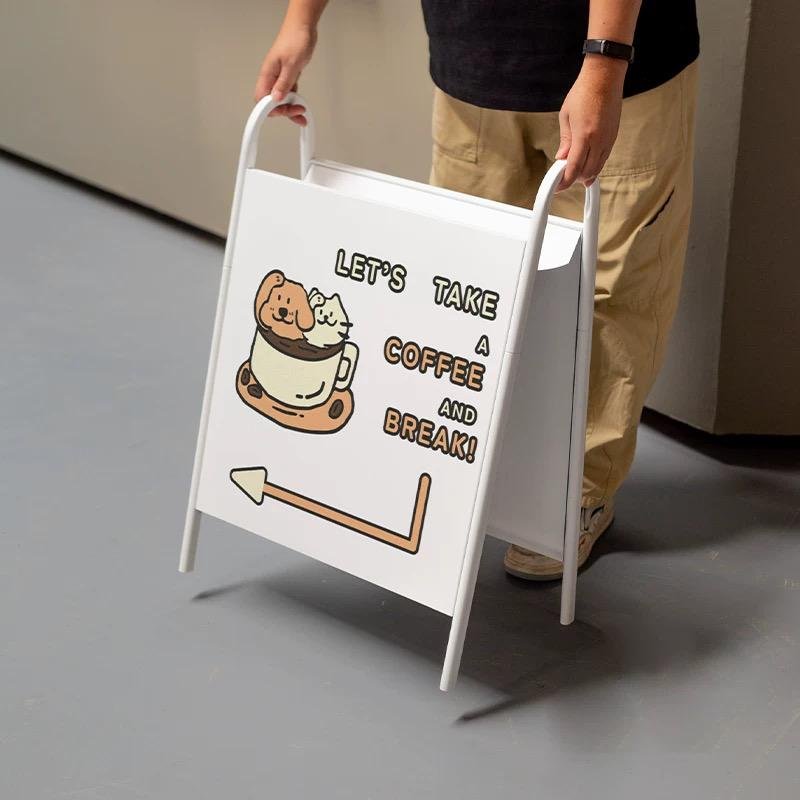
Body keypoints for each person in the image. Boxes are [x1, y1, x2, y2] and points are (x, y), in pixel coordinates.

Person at [254, 1, 700, 580]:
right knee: (464, 288)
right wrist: (301, 20)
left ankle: (575, 492)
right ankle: (458, 469)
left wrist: (604, 63)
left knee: (609, 295)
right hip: (473, 61)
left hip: (624, 72)